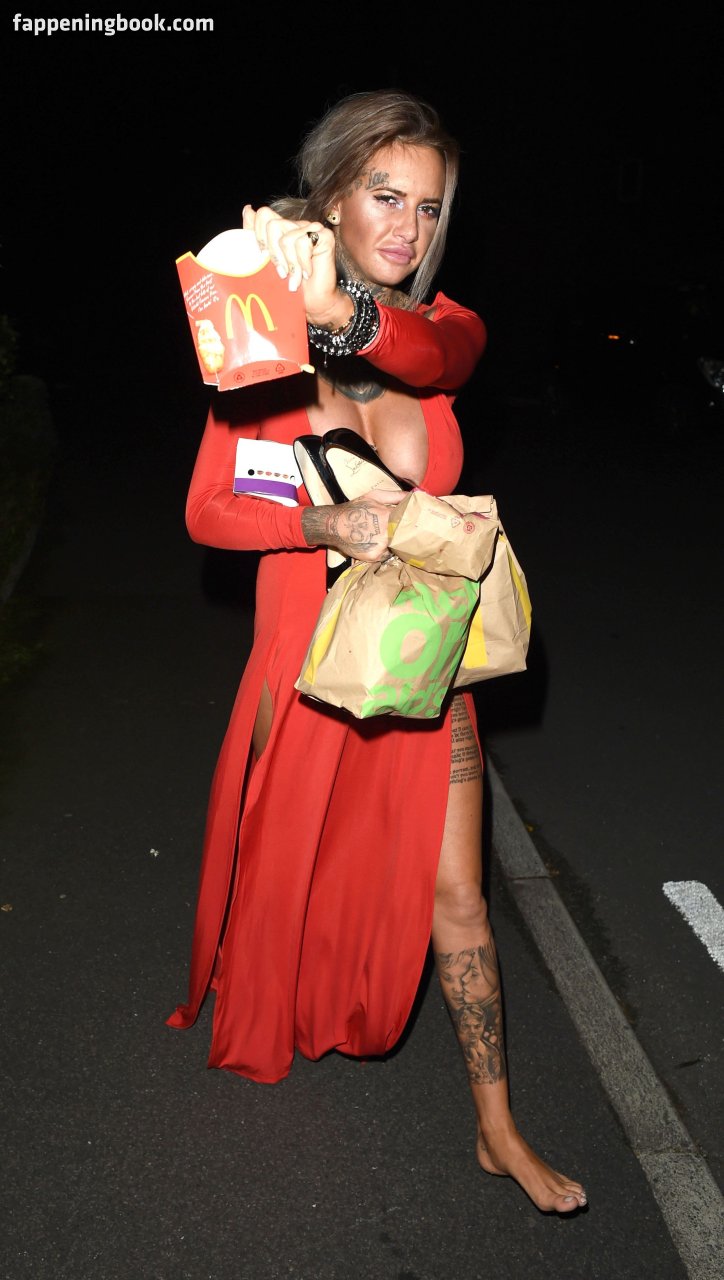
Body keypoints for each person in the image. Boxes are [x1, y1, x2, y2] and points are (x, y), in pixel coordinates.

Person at [168, 89, 586, 1214]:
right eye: (384, 195)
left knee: (460, 896)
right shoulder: (258, 334)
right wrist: (319, 521)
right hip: (301, 653)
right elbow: (209, 511)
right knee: (290, 870)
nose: (407, 225)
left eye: (428, 206)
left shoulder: (446, 330)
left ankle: (498, 1127)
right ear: (333, 199)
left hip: (420, 658)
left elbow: (436, 353)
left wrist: (339, 312)